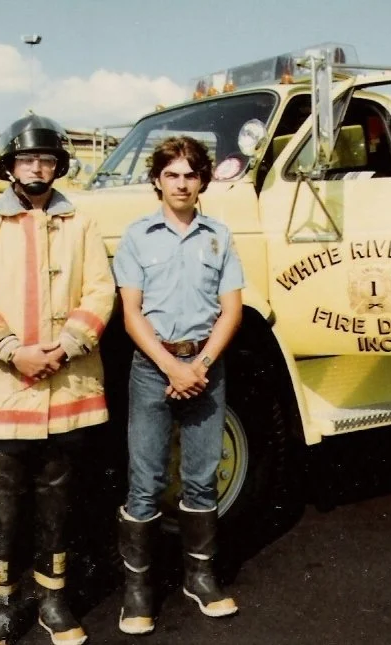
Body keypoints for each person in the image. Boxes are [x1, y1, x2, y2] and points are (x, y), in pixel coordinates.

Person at [0, 113, 114, 645]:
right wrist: (12, 351)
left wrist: (64, 347)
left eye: (45, 158)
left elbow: (99, 291)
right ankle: (3, 604)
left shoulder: (81, 226)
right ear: (9, 166)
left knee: (59, 499)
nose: (36, 167)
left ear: (58, 165)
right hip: (2, 387)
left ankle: (55, 602)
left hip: (67, 388)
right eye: (26, 158)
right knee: (5, 503)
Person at [112, 135, 244, 634]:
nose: (182, 183)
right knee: (144, 482)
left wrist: (200, 363)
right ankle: (139, 590)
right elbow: (130, 312)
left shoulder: (220, 236)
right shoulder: (137, 236)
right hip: (153, 368)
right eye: (172, 174)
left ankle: (201, 578)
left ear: (203, 180)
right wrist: (171, 366)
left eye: (190, 174)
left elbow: (231, 309)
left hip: (205, 367)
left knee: (202, 476)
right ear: (157, 181)